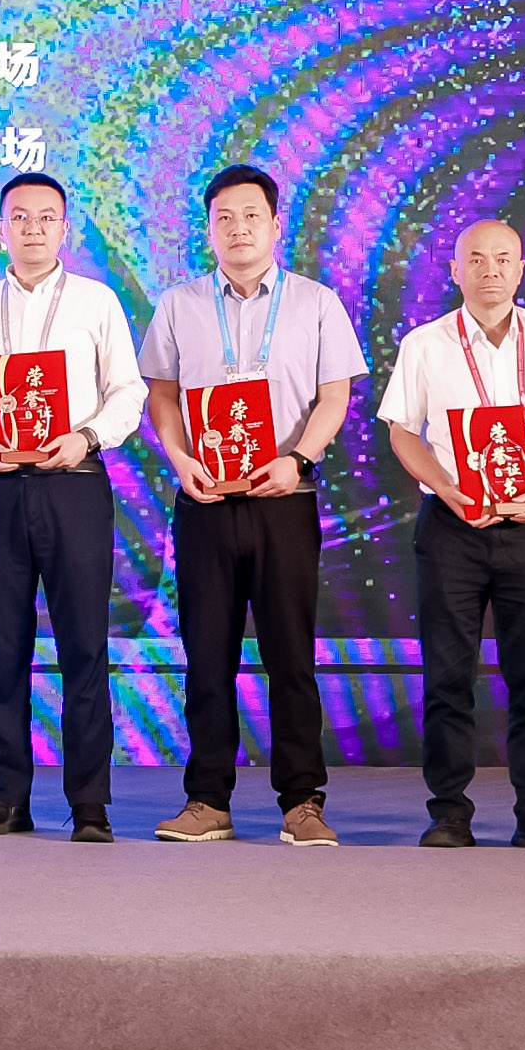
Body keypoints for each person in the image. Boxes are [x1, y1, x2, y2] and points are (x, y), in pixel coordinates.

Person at [139, 163, 365, 847]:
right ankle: (207, 800)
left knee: (290, 656)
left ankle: (302, 803)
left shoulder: (315, 302)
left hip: (283, 498)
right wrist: (179, 459)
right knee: (206, 656)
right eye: (224, 218)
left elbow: (334, 397)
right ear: (207, 229)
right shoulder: (178, 304)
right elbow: (161, 394)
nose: (238, 229)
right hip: (205, 499)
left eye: (250, 216)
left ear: (274, 225)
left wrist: (297, 459)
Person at [376, 216, 525, 851]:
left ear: (522, 267)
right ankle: (449, 812)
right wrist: (446, 488)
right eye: (475, 259)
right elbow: (402, 432)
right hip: (452, 527)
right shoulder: (426, 343)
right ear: (455, 270)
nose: (490, 270)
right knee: (448, 678)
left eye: (503, 258)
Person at [0, 172, 141, 841]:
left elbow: (127, 391)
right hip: (0, 487)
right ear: (0, 228)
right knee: (2, 647)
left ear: (65, 228)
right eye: (19, 217)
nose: (32, 228)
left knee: (83, 645)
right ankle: (7, 796)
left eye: (45, 217)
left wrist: (85, 437)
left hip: (73, 482)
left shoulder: (95, 301)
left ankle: (88, 802)